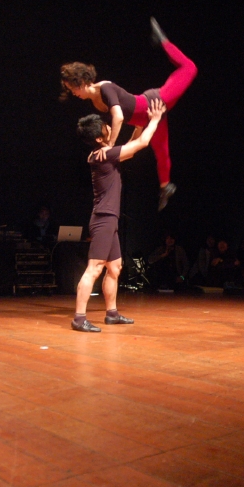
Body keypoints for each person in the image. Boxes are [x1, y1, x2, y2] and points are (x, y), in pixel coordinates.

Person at [60, 17, 197, 211]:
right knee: (162, 153)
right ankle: (165, 187)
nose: (72, 93)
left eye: (72, 88)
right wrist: (118, 146)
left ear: (81, 82)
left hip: (154, 103)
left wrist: (109, 146)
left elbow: (119, 117)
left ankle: (163, 42)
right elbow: (118, 125)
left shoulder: (105, 88)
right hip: (149, 118)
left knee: (190, 68)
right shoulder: (94, 103)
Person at [70, 98, 167, 332]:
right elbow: (141, 144)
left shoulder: (102, 154)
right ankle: (79, 318)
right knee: (94, 268)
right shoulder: (104, 155)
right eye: (105, 127)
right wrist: (154, 120)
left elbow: (129, 150)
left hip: (109, 219)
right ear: (98, 138)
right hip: (104, 218)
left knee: (114, 268)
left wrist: (138, 125)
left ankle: (111, 313)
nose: (109, 126)